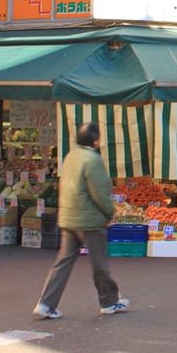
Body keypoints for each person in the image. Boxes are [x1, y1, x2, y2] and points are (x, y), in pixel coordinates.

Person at [32, 123, 128, 319]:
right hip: (90, 220)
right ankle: (109, 302)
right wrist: (110, 213)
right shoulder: (92, 159)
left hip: (68, 218)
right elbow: (99, 192)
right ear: (95, 140)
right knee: (100, 263)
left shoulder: (70, 157)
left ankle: (45, 303)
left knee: (63, 262)